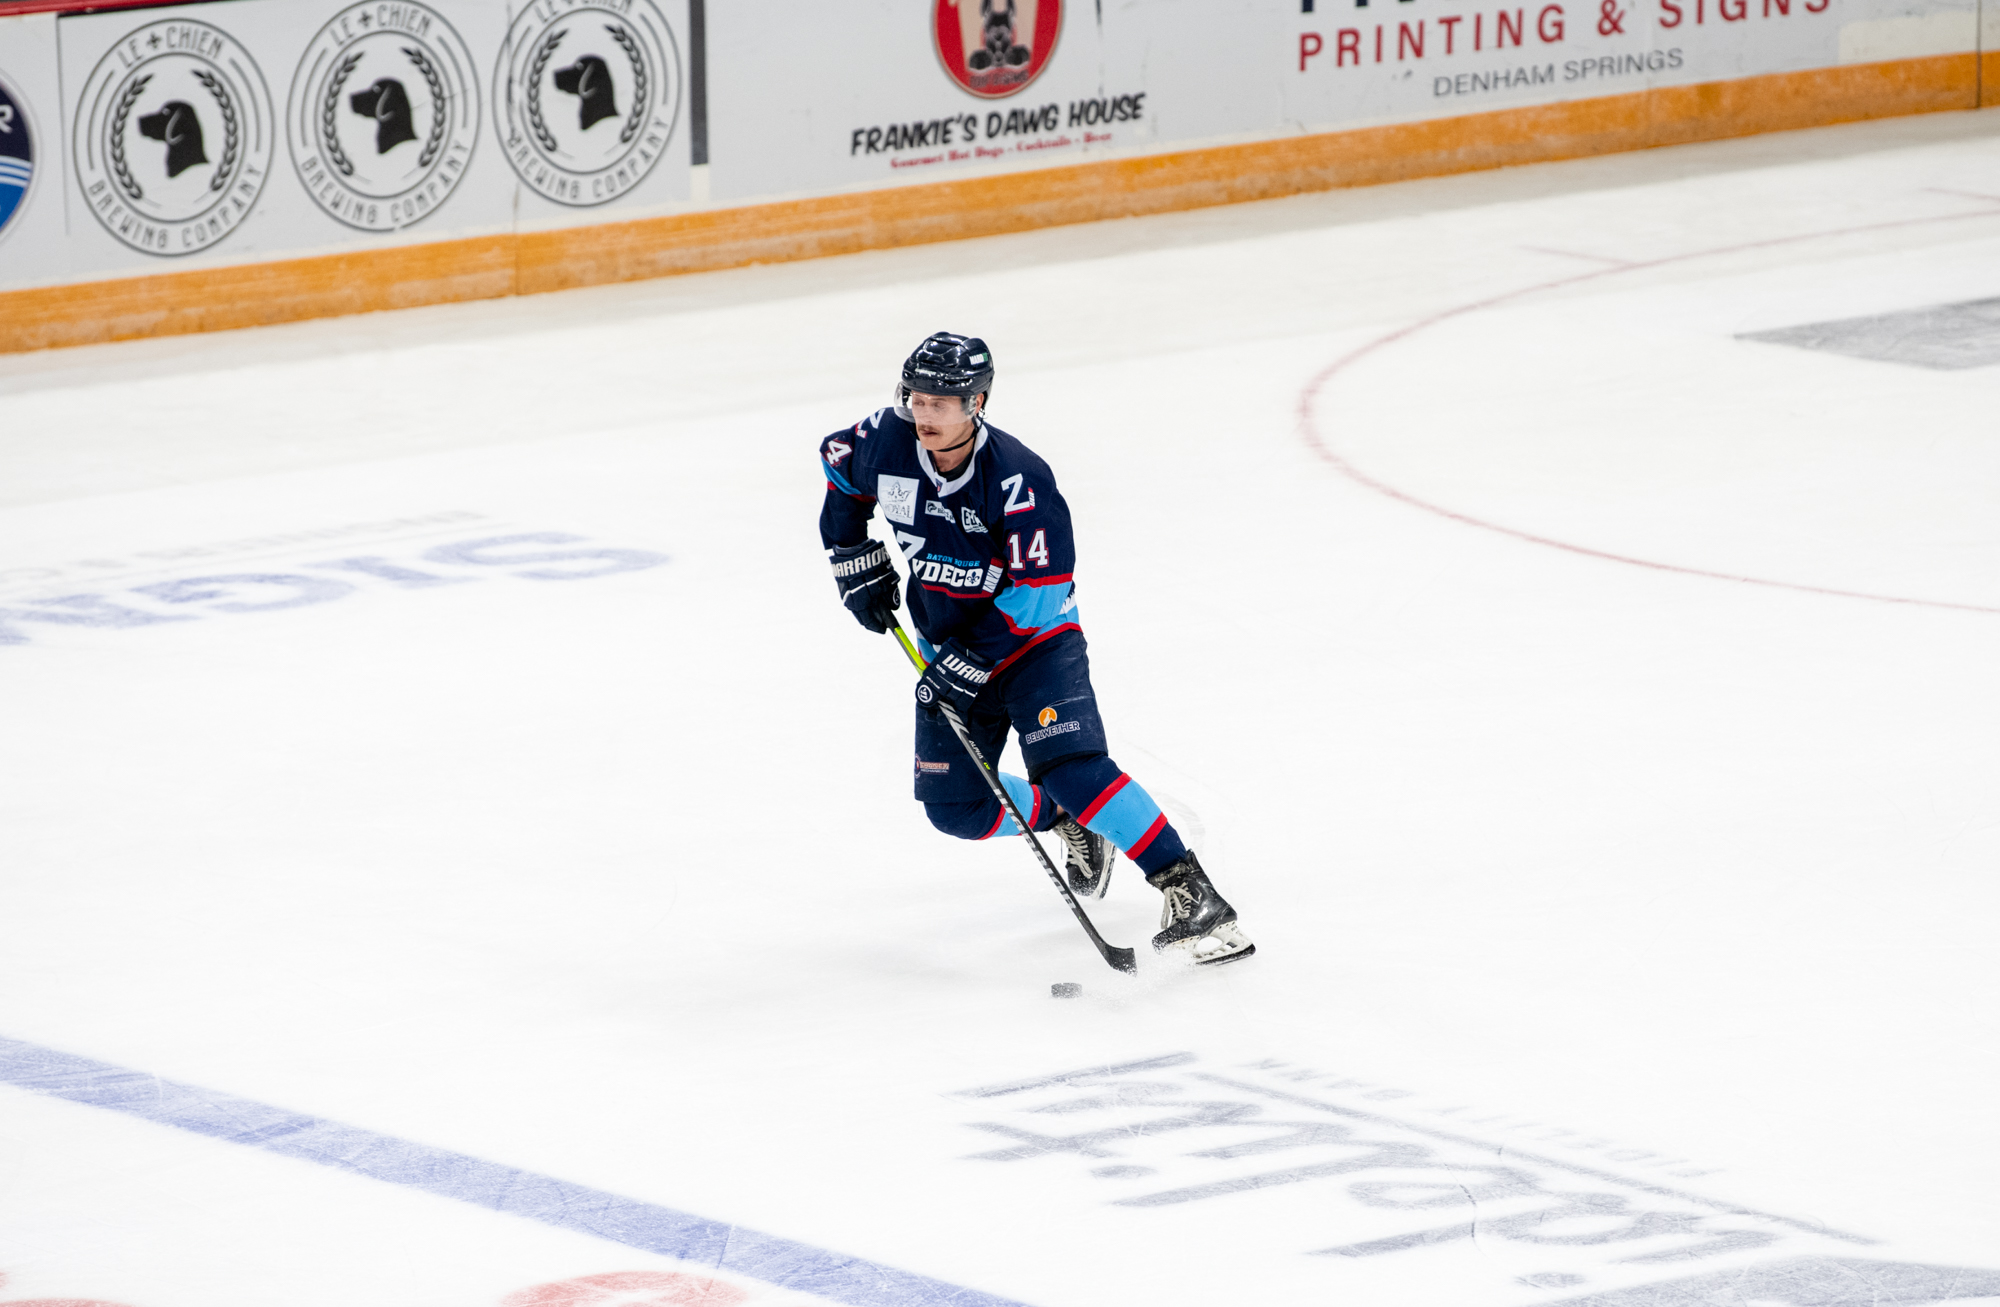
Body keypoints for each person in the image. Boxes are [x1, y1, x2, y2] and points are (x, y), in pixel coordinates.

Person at [817, 331, 1255, 966]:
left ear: (979, 402)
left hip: (1034, 645)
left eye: (943, 402)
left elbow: (1041, 595)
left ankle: (1191, 893)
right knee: (957, 809)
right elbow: (840, 474)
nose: (925, 414)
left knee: (1074, 768)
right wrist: (853, 557)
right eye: (916, 397)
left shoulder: (1020, 479)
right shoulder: (884, 440)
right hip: (950, 645)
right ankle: (1068, 818)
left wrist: (970, 661)